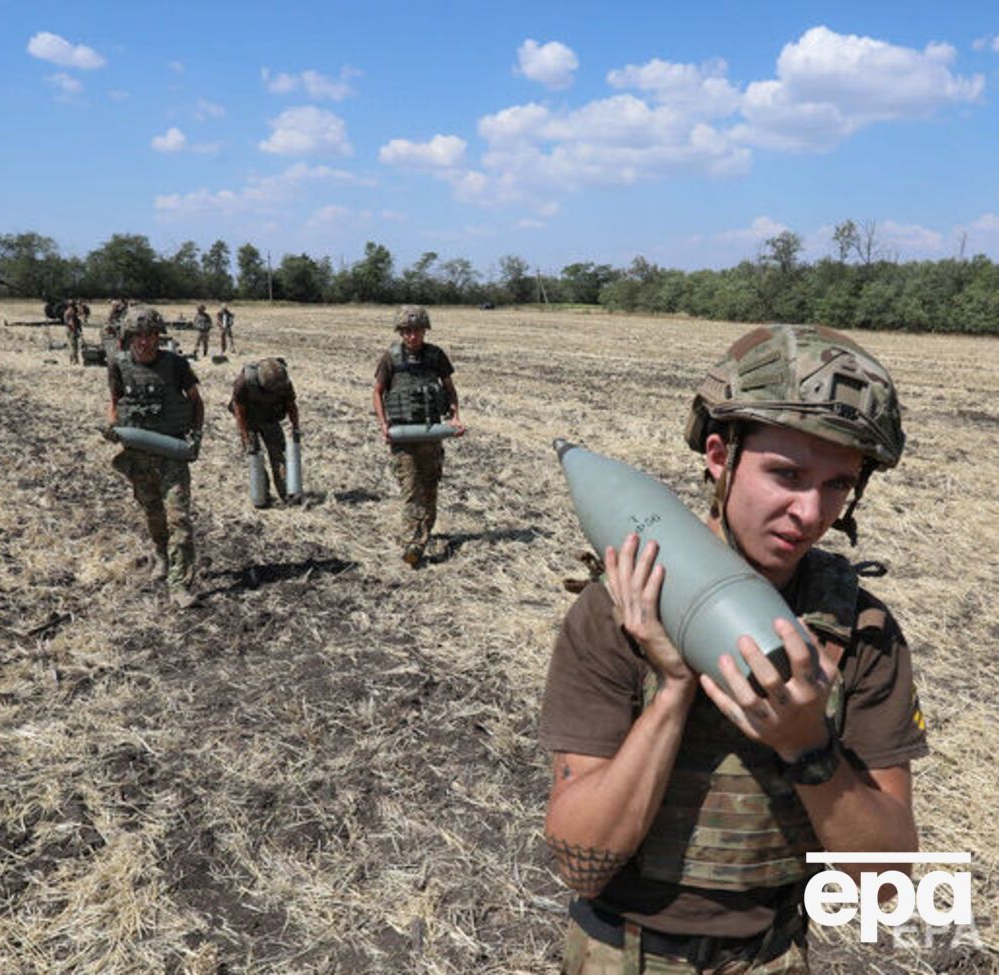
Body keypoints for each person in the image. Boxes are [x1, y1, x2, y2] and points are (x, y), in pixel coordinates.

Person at [540, 324, 928, 974]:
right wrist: (673, 688)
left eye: (837, 484)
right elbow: (581, 863)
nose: (809, 512)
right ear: (720, 455)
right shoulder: (615, 613)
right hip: (619, 953)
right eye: (787, 473)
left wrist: (808, 747)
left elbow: (885, 887)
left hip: (772, 953)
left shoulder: (860, 632)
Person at [106, 307, 205, 609]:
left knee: (179, 520)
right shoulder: (118, 365)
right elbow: (114, 400)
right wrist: (113, 426)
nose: (145, 342)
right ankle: (161, 554)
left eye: (150, 335)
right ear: (128, 337)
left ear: (158, 336)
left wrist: (196, 436)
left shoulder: (176, 365)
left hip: (172, 453)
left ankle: (180, 584)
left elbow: (196, 401)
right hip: (138, 455)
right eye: (138, 336)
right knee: (153, 513)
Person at [372, 305, 464, 566]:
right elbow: (378, 392)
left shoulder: (436, 357)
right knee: (411, 490)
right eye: (407, 331)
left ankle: (423, 532)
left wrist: (455, 417)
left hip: (430, 435)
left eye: (417, 331)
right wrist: (383, 424)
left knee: (429, 489)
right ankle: (414, 543)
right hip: (403, 438)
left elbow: (450, 390)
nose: (412, 336)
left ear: (425, 331)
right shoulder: (390, 358)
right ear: (400, 332)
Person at [229, 357, 301, 506]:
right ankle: (262, 495)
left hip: (270, 418)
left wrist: (295, 428)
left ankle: (287, 492)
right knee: (255, 456)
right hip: (249, 419)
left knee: (278, 455)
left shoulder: (283, 383)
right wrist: (246, 436)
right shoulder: (244, 383)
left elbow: (291, 406)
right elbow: (239, 412)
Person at [63, 299, 83, 365]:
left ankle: (72, 360)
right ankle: (74, 361)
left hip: (68, 329)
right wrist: (76, 330)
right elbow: (72, 323)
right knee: (74, 345)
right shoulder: (71, 312)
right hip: (72, 330)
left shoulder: (66, 312)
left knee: (71, 345)